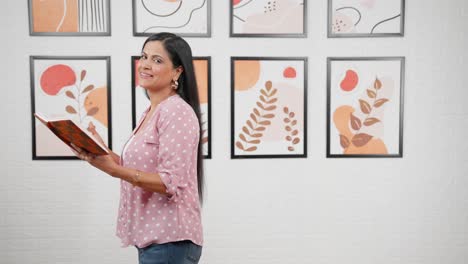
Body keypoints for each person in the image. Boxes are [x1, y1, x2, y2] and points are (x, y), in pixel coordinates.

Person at [71, 32, 204, 264]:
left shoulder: (176, 111)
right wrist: (100, 152)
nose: (145, 65)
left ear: (177, 71)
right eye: (144, 57)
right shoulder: (151, 112)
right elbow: (138, 166)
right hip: (155, 241)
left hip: (170, 242)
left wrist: (112, 170)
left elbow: (169, 182)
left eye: (157, 60)